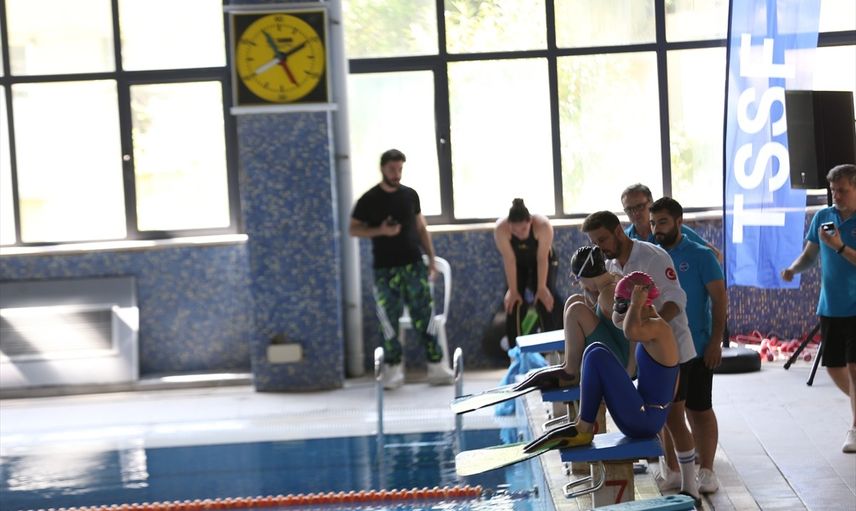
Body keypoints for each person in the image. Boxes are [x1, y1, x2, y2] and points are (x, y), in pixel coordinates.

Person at [582, 210, 700, 501]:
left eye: (602, 240)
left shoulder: (653, 257)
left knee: (675, 418)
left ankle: (691, 484)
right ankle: (672, 472)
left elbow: (676, 299)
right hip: (646, 345)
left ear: (618, 232)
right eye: (594, 243)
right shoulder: (609, 263)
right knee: (663, 414)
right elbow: (619, 316)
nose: (599, 248)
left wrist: (650, 323)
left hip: (673, 344)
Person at [523, 273, 680, 464]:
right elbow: (618, 320)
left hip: (645, 420)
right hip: (645, 415)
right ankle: (583, 423)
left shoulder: (658, 328)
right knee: (594, 350)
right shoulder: (650, 323)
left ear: (640, 303)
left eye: (622, 305)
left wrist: (635, 304)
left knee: (597, 354)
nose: (619, 311)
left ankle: (584, 427)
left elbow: (629, 331)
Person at [349, 149, 454, 390]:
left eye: (400, 169)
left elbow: (421, 227)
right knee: (388, 321)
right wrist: (381, 231)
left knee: (424, 316)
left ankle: (437, 366)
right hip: (385, 269)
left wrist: (431, 258)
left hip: (413, 264)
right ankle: (393, 369)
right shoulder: (369, 199)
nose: (396, 174)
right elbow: (353, 229)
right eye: (392, 169)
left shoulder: (409, 195)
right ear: (382, 169)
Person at [650, 197, 727, 493]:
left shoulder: (700, 255)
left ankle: (706, 470)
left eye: (663, 222)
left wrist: (716, 342)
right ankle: (672, 470)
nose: (657, 228)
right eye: (654, 223)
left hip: (697, 346)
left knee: (699, 409)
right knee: (668, 413)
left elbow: (719, 300)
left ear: (679, 222)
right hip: (662, 350)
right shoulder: (651, 256)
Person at [781, 163, 856, 453]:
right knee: (834, 367)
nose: (837, 195)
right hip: (831, 305)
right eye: (833, 190)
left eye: (843, 190)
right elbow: (810, 255)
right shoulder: (823, 217)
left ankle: (854, 428)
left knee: (853, 366)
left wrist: (839, 246)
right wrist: (793, 269)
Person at [512, 246, 632, 390]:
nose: (579, 284)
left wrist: (630, 372)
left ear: (586, 275)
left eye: (578, 279)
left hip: (621, 364)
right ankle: (569, 365)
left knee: (576, 310)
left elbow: (634, 332)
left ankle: (570, 371)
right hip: (615, 353)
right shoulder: (613, 279)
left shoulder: (608, 295)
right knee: (574, 300)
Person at [494, 198, 562, 349]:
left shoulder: (543, 226)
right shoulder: (501, 229)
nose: (520, 235)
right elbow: (510, 260)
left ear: (530, 221)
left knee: (544, 300)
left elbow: (542, 258)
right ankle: (515, 352)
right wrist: (512, 290)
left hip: (543, 260)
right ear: (509, 225)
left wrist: (542, 288)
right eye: (514, 231)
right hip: (518, 263)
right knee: (513, 303)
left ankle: (550, 351)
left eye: (524, 229)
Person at [621, 183, 722, 261]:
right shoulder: (624, 239)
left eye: (640, 206)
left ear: (651, 203)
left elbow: (717, 256)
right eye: (629, 210)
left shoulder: (674, 231)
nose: (635, 213)